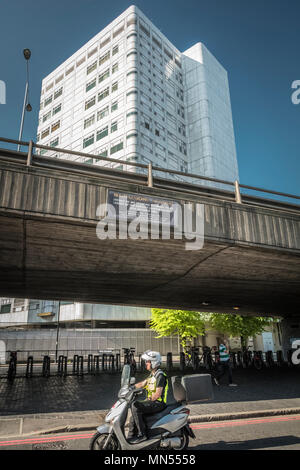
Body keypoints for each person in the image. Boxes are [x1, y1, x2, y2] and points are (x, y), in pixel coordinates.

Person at [127, 350, 169, 444]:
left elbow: (157, 394)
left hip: (158, 403)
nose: (146, 363)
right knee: (133, 416)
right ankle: (130, 439)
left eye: (148, 361)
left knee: (135, 406)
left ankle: (143, 435)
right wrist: (131, 388)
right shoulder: (153, 375)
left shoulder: (160, 376)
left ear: (154, 362)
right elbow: (143, 383)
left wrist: (146, 400)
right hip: (152, 402)